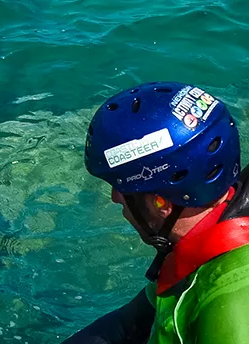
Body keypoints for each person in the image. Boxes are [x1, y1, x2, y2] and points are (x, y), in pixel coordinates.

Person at [63, 82, 249, 344]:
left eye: (122, 189)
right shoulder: (201, 242)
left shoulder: (231, 306)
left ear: (162, 203)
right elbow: (126, 325)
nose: (115, 198)